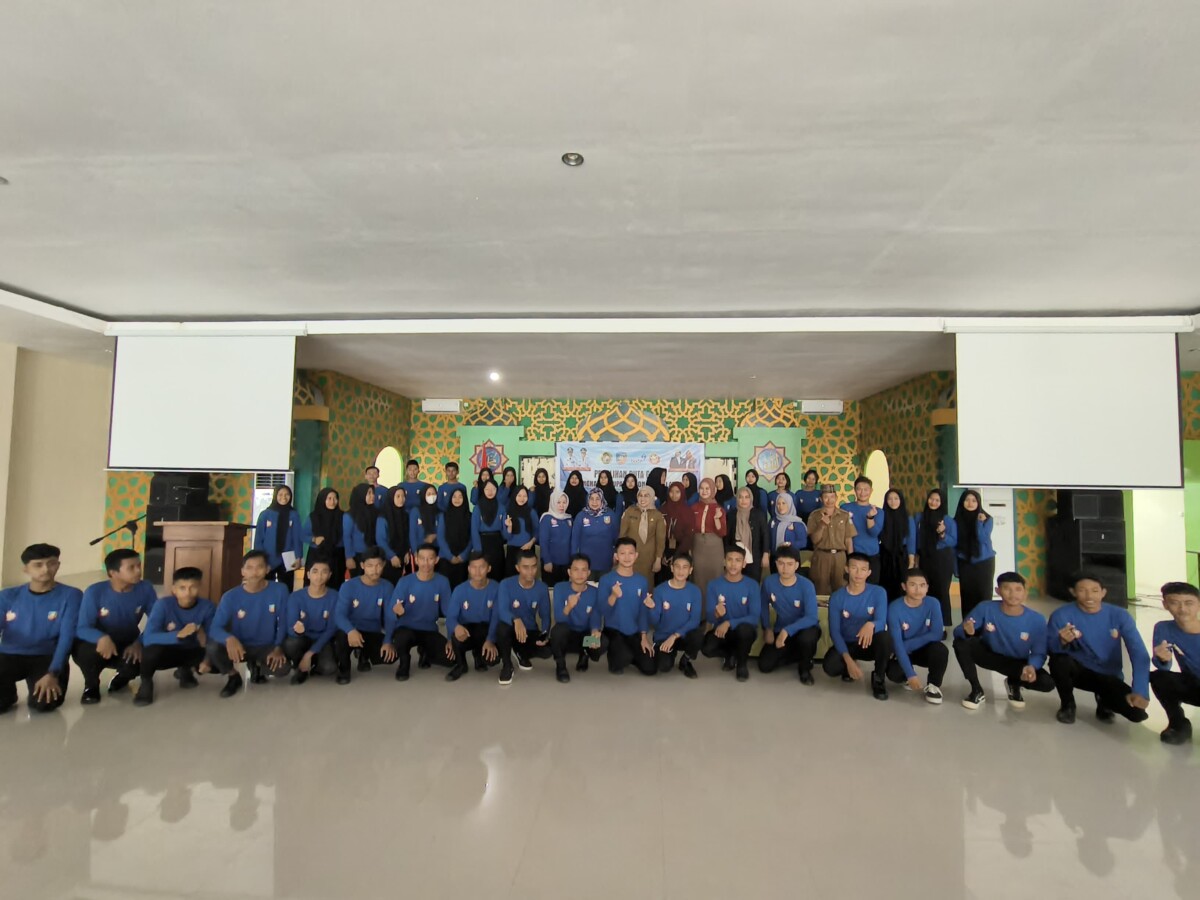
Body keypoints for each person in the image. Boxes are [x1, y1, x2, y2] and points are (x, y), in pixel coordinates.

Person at [1046, 572, 1150, 726]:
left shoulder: (1120, 615)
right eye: (1082, 590)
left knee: (1137, 714)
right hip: (1079, 671)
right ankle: (1067, 704)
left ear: (1103, 592)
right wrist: (1062, 641)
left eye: (1095, 591)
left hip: (1109, 674)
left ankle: (1104, 701)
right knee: (1059, 661)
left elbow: (1138, 652)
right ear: (1073, 592)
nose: (1089, 596)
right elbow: (1050, 649)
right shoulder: (1061, 615)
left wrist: (1140, 690)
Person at [952, 571, 1055, 710]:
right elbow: (958, 631)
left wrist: (1032, 666)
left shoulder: (1037, 619)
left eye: (1018, 589)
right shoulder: (985, 608)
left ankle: (1014, 683)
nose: (1013, 594)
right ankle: (976, 690)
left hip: (1017, 663)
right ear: (998, 591)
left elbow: (1039, 652)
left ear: (1025, 592)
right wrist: (967, 632)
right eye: (1007, 589)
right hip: (989, 655)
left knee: (1047, 683)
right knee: (961, 643)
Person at [0, 543, 81, 713]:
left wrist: (53, 673)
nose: (45, 569)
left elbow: (67, 637)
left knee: (44, 704)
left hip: (46, 656)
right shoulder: (8, 596)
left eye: (51, 563)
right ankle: (7, 694)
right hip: (9, 654)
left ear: (58, 565)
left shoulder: (71, 595)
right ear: (26, 569)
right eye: (38, 565)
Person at [74, 548, 159, 704]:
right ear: (113, 573)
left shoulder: (145, 588)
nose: (138, 571)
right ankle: (91, 685)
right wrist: (101, 637)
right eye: (131, 567)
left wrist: (139, 642)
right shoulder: (94, 592)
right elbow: (82, 627)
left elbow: (157, 621)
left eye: (139, 565)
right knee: (84, 652)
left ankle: (123, 677)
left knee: (143, 658)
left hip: (128, 641)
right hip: (99, 643)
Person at [207, 551, 289, 698]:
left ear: (268, 569)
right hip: (240, 646)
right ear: (242, 571)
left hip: (266, 645)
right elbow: (214, 628)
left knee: (283, 669)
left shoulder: (280, 590)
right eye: (249, 567)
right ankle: (233, 676)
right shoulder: (230, 596)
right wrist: (229, 638)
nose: (254, 572)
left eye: (259, 567)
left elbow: (283, 622)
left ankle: (257, 666)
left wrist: (278, 647)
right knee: (213, 648)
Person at [134, 567, 214, 706]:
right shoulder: (163, 605)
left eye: (193, 587)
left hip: (191, 649)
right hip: (167, 651)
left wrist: (207, 657)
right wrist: (178, 635)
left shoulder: (208, 607)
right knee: (151, 651)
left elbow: (213, 637)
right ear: (174, 589)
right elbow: (148, 637)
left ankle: (186, 671)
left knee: (219, 660)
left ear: (200, 587)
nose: (188, 593)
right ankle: (146, 683)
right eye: (182, 588)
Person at [822, 553, 892, 700]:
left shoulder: (878, 592)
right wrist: (848, 660)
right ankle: (849, 666)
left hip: (869, 643)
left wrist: (871, 624)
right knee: (830, 667)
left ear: (869, 572)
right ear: (847, 569)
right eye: (854, 568)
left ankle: (878, 678)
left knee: (885, 637)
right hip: (848, 644)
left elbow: (882, 621)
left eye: (863, 569)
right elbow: (835, 632)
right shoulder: (837, 597)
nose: (858, 573)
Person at [386, 545, 454, 681]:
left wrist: (450, 639)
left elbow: (450, 613)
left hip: (429, 629)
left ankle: (425, 652)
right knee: (401, 638)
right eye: (422, 558)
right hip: (406, 629)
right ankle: (404, 662)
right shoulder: (404, 581)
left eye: (430, 559)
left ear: (436, 560)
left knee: (451, 660)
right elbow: (390, 613)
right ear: (416, 560)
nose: (426, 563)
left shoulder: (443, 582)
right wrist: (388, 638)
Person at [757, 546, 820, 683]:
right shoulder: (769, 582)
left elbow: (812, 617)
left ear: (797, 565)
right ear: (776, 564)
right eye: (781, 563)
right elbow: (763, 606)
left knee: (807, 639)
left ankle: (805, 668)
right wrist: (767, 628)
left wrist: (787, 631)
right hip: (781, 629)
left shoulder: (807, 585)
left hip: (805, 629)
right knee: (764, 665)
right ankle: (800, 654)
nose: (785, 568)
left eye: (790, 564)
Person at [885, 568, 948, 705]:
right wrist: (910, 674)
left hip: (921, 648)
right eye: (913, 585)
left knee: (941, 650)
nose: (918, 590)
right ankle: (907, 677)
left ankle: (933, 686)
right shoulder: (894, 608)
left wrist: (909, 644)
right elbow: (897, 644)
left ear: (927, 588)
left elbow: (937, 634)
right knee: (893, 673)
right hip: (901, 651)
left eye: (922, 585)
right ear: (904, 586)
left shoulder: (933, 603)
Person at [596, 538, 657, 676]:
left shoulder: (642, 581)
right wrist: (613, 596)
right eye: (622, 553)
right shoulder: (606, 580)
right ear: (616, 556)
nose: (627, 557)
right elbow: (602, 610)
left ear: (636, 555)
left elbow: (643, 612)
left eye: (631, 553)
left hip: (633, 631)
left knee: (650, 668)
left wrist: (644, 636)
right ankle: (589, 652)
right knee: (618, 663)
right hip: (613, 631)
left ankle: (631, 654)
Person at [333, 547, 394, 684]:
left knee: (390, 656)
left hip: (372, 631)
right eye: (370, 565)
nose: (375, 570)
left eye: (378, 565)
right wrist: (350, 630)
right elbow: (339, 615)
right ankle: (344, 669)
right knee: (341, 637)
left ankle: (363, 655)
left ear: (384, 564)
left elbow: (390, 617)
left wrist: (388, 641)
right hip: (351, 630)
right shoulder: (349, 586)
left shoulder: (387, 587)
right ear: (362, 566)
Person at [1150, 581, 1200, 744]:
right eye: (1175, 603)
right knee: (1159, 677)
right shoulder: (1163, 628)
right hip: (1195, 684)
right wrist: (1162, 658)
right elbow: (1163, 666)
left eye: (1189, 603)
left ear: (1199, 604)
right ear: (1165, 605)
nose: (1182, 609)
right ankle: (1178, 725)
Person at [700, 546, 759, 681]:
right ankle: (730, 654)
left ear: (744, 563)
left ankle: (742, 665)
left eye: (738, 560)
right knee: (706, 648)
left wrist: (728, 623)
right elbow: (709, 617)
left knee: (744, 630)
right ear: (724, 562)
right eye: (730, 560)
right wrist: (716, 614)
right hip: (723, 631)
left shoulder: (752, 585)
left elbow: (754, 617)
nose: (733, 564)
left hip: (744, 630)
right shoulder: (714, 585)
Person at [495, 550, 554, 684]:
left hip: (529, 630)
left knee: (547, 651)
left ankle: (520, 652)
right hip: (511, 628)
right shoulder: (505, 584)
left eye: (533, 566)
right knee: (502, 629)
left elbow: (545, 616)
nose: (530, 571)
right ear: (518, 568)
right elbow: (502, 611)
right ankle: (507, 665)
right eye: (525, 567)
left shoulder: (542, 587)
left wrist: (544, 634)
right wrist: (516, 620)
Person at [640, 553, 702, 678]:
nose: (680, 571)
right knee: (663, 667)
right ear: (672, 568)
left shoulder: (695, 591)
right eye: (677, 566)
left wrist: (674, 636)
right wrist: (652, 608)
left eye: (685, 567)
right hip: (664, 636)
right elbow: (655, 622)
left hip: (683, 635)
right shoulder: (660, 590)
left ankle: (686, 660)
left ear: (690, 570)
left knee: (698, 635)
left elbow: (695, 620)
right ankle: (669, 653)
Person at [280, 555, 338, 685]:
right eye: (315, 571)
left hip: (322, 639)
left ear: (329, 575)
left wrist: (309, 654)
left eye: (324, 572)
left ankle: (313, 662)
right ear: (308, 574)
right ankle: (300, 667)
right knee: (291, 644)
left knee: (329, 668)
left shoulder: (335, 597)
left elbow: (331, 629)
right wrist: (297, 631)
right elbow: (290, 627)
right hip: (302, 639)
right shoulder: (295, 597)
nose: (319, 576)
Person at [443, 552, 501, 681]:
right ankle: (461, 665)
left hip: (485, 630)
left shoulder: (497, 588)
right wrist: (455, 629)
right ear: (469, 569)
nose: (477, 571)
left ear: (489, 568)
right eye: (474, 567)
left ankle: (478, 655)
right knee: (455, 636)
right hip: (466, 630)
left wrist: (490, 640)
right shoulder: (459, 590)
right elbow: (450, 618)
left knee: (493, 660)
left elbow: (496, 618)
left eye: (482, 567)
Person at [549, 554, 606, 682]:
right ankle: (560, 666)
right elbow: (559, 618)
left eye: (584, 570)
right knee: (557, 632)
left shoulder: (594, 591)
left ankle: (584, 654)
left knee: (603, 641)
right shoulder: (560, 588)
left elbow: (595, 616)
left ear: (589, 573)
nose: (580, 574)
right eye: (576, 569)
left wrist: (595, 630)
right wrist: (569, 606)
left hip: (584, 638)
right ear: (569, 572)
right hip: (567, 636)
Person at [908, 489, 957, 627]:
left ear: (942, 502)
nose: (933, 502)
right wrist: (914, 558)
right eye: (931, 499)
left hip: (942, 558)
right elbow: (914, 538)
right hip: (924, 557)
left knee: (941, 591)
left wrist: (942, 534)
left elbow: (953, 541)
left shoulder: (947, 520)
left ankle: (942, 625)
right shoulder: (919, 517)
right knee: (924, 590)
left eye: (937, 500)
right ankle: (926, 623)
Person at [954, 490, 996, 619]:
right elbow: (954, 546)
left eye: (974, 500)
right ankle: (968, 626)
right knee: (967, 597)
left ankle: (985, 625)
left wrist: (979, 523)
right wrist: (955, 568)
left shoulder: (987, 519)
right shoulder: (956, 521)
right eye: (967, 500)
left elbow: (982, 538)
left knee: (984, 595)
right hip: (965, 562)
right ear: (962, 502)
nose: (970, 503)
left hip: (984, 562)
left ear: (978, 503)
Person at [807, 485, 856, 595]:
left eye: (832, 497)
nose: (829, 500)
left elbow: (849, 540)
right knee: (821, 589)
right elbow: (814, 540)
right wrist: (821, 525)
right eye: (826, 497)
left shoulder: (844, 515)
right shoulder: (814, 515)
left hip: (840, 556)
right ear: (821, 499)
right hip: (821, 556)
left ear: (836, 498)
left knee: (841, 589)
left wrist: (851, 560)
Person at [254, 485, 303, 583]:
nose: (284, 497)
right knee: (266, 585)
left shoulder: (294, 514)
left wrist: (298, 557)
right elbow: (259, 538)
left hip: (288, 558)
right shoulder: (265, 514)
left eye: (287, 494)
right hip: (268, 557)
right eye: (280, 494)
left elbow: (297, 538)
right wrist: (260, 558)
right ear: (275, 496)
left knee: (286, 586)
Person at [690, 477, 728, 598]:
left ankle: (715, 608)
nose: (704, 491)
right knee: (698, 577)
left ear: (713, 490)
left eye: (707, 488)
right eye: (701, 488)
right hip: (698, 546)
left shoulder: (719, 509)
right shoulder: (693, 508)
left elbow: (722, 532)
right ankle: (700, 609)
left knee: (716, 576)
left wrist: (717, 518)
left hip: (714, 546)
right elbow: (690, 530)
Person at [841, 476, 884, 583]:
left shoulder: (878, 511)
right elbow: (842, 532)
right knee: (852, 586)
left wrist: (870, 517)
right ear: (855, 490)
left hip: (872, 555)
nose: (862, 492)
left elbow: (874, 533)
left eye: (866, 489)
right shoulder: (845, 508)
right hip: (852, 554)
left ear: (871, 491)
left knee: (872, 587)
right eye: (859, 489)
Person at [620, 485, 666, 583]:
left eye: (646, 496)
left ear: (652, 497)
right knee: (629, 583)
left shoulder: (657, 515)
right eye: (640, 495)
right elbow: (622, 535)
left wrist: (658, 559)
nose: (642, 498)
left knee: (646, 584)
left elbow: (660, 539)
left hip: (648, 558)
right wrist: (619, 553)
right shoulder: (630, 511)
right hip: (630, 556)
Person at [572, 488, 618, 578]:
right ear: (588, 500)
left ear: (602, 500)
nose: (594, 502)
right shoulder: (581, 516)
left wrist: (616, 554)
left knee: (605, 586)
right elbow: (574, 540)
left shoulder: (610, 514)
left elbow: (616, 537)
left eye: (597, 499)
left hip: (606, 562)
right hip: (585, 564)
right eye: (591, 499)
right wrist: (574, 560)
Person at [729, 487, 771, 582]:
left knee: (753, 583)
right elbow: (727, 537)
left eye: (746, 497)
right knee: (736, 582)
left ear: (751, 498)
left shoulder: (759, 514)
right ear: (737, 499)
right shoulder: (731, 515)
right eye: (740, 497)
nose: (743, 500)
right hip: (736, 555)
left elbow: (765, 535)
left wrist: (765, 554)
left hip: (754, 555)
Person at [304, 488, 345, 581]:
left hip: (337, 555)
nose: (332, 502)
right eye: (329, 498)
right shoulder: (313, 517)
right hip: (317, 554)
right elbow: (303, 535)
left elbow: (346, 536)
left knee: (336, 582)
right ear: (322, 499)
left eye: (335, 498)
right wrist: (314, 539)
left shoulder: (342, 516)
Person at [436, 486, 472, 588]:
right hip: (445, 558)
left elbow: (472, 539)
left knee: (460, 588)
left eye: (460, 497)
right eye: (454, 497)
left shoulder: (470, 516)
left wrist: (463, 556)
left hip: (463, 559)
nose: (457, 499)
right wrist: (450, 556)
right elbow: (440, 538)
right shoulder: (444, 516)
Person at [878, 489, 910, 604]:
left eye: (896, 498)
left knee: (901, 587)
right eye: (890, 499)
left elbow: (911, 540)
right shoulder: (881, 516)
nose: (893, 501)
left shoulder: (907, 518)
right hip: (885, 555)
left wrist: (911, 561)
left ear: (901, 500)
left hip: (901, 556)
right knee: (885, 587)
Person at [376, 486, 412, 584]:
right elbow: (380, 540)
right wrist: (391, 556)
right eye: (398, 496)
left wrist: (407, 551)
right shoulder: (383, 516)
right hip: (388, 558)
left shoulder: (405, 515)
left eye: (403, 496)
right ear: (391, 497)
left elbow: (407, 536)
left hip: (402, 557)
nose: (401, 499)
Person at [471, 479, 507, 577]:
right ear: (483, 490)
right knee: (484, 573)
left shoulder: (501, 507)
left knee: (498, 571)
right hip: (483, 543)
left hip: (497, 543)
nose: (490, 492)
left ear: (497, 490)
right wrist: (478, 549)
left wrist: (509, 527)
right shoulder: (478, 507)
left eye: (493, 489)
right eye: (487, 489)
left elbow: (505, 532)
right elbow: (474, 530)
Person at [538, 489, 574, 586]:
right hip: (551, 563)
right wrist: (547, 561)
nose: (562, 505)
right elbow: (543, 542)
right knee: (551, 590)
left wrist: (572, 562)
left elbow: (571, 542)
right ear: (553, 502)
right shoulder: (546, 518)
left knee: (564, 590)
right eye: (558, 502)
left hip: (566, 563)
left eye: (564, 502)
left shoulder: (569, 519)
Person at [502, 485, 538, 578]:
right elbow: (506, 537)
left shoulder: (531, 512)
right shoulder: (508, 513)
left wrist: (531, 543)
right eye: (519, 495)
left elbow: (537, 531)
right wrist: (509, 527)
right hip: (512, 551)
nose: (522, 499)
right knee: (511, 578)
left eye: (525, 496)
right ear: (515, 496)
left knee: (528, 578)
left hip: (528, 550)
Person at [343, 483, 377, 576]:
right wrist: (349, 557)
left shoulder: (375, 512)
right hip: (357, 556)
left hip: (372, 553)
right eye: (369, 493)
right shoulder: (350, 515)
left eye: (373, 493)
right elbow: (347, 537)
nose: (372, 496)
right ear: (361, 495)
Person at [661, 482, 695, 570]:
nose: (674, 495)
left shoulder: (688, 512)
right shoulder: (663, 509)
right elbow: (658, 533)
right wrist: (662, 554)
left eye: (677, 492)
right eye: (671, 492)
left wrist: (677, 555)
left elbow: (689, 536)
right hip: (664, 548)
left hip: (682, 549)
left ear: (682, 493)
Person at [769, 493, 807, 560]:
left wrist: (789, 544)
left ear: (789, 504)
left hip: (791, 558)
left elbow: (803, 542)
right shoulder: (773, 521)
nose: (781, 506)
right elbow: (768, 539)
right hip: (774, 558)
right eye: (778, 504)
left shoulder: (796, 523)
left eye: (784, 503)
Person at [412, 485, 442, 554]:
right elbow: (412, 533)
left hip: (436, 550)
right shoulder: (416, 511)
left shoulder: (439, 512)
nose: (432, 496)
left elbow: (442, 532)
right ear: (423, 495)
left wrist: (434, 536)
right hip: (420, 549)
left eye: (433, 494)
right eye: (429, 494)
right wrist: (415, 551)